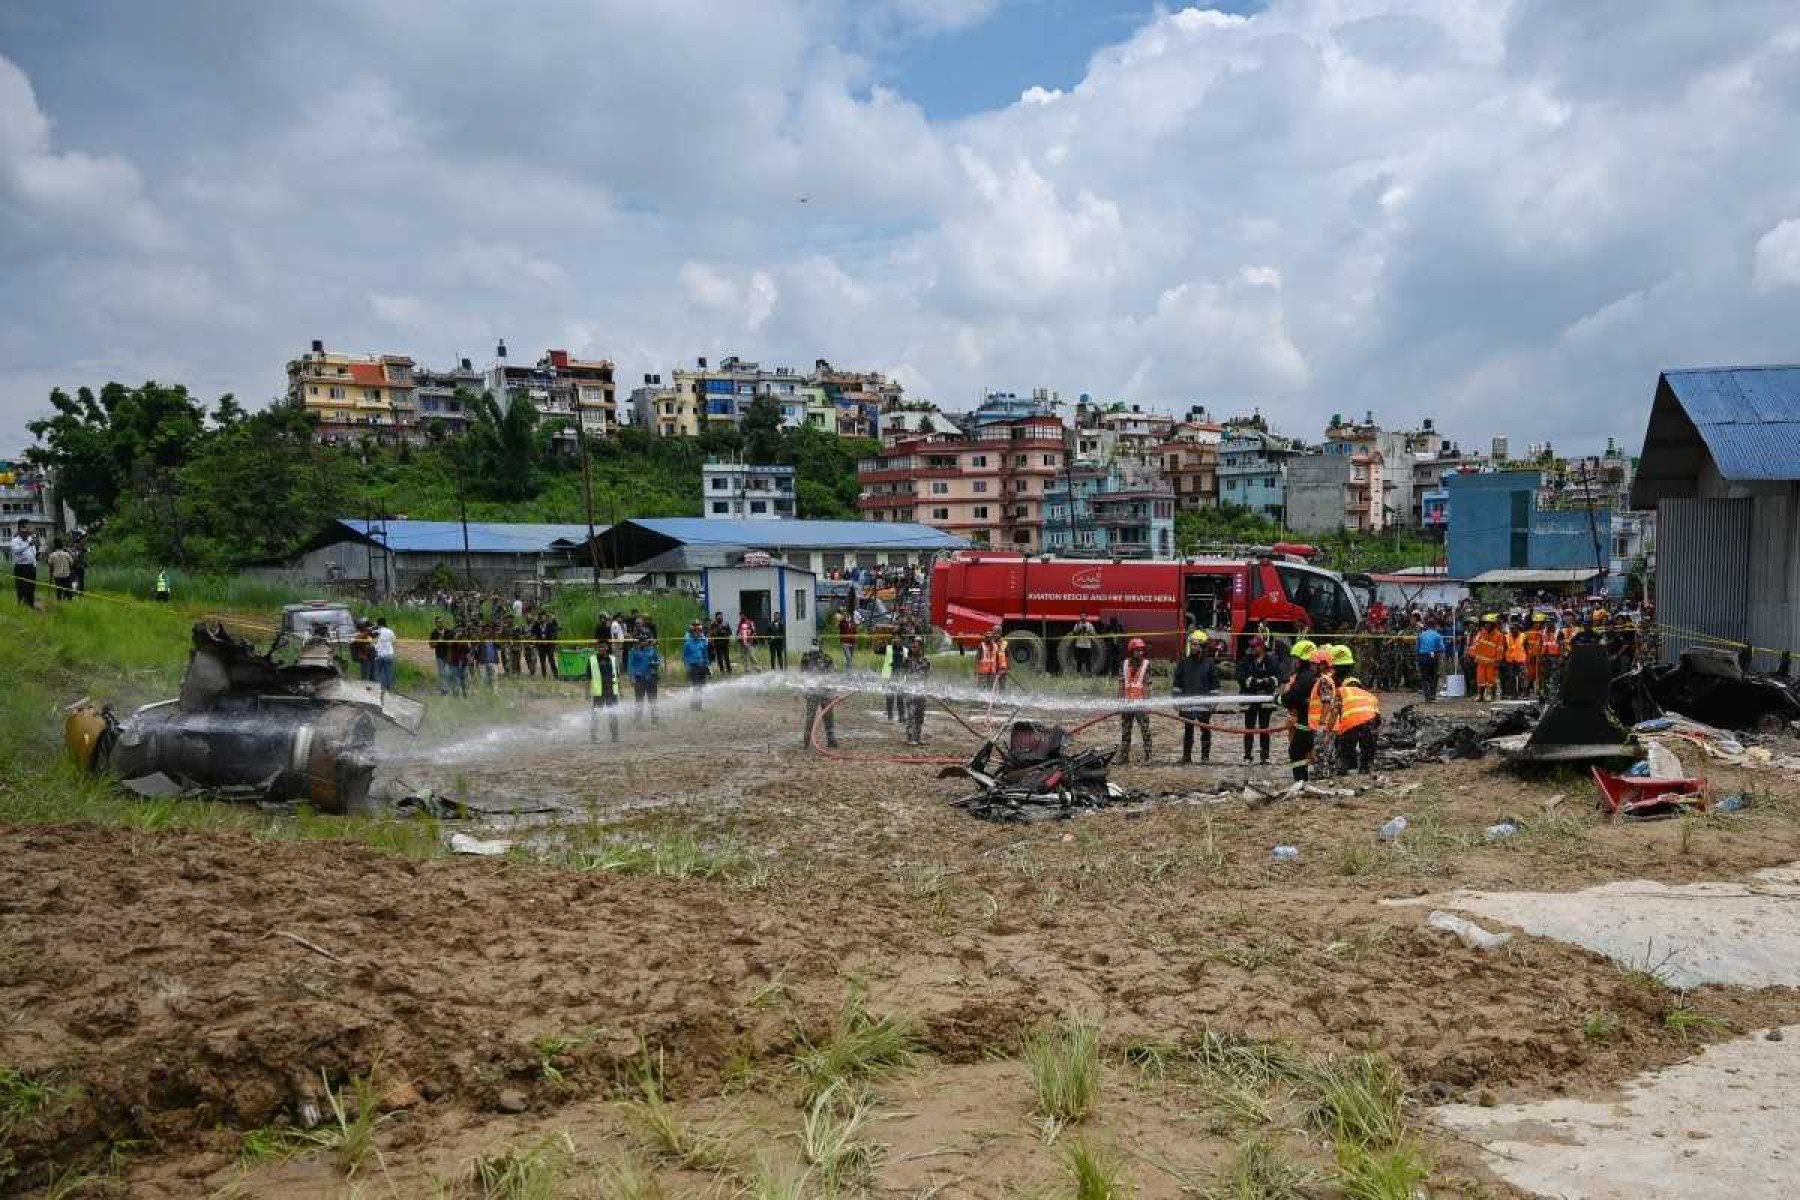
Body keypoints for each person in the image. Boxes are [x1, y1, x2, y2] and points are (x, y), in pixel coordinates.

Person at [1172, 630, 1220, 764]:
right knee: (1188, 731)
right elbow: (1177, 683)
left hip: (1204, 705)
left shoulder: (1209, 664)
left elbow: (1214, 684)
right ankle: (1186, 756)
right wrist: (1176, 699)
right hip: (1187, 704)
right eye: (1191, 644)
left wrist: (1214, 701)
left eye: (1195, 644)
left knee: (1205, 730)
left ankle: (1205, 757)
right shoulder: (1184, 663)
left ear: (1202, 646)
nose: (1192, 647)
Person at [1237, 637, 1282, 765]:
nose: (1252, 649)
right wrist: (1255, 681)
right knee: (1249, 728)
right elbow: (1240, 676)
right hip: (1249, 700)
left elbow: (1278, 677)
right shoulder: (1246, 660)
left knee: (1264, 728)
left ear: (1261, 647)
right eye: (1251, 647)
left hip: (1265, 701)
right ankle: (1247, 756)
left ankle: (1265, 756)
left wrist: (1265, 682)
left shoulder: (1271, 660)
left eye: (1254, 646)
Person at [1281, 643, 1321, 783]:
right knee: (1300, 751)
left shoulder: (1305, 677)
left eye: (1296, 659)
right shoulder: (1309, 675)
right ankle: (1302, 781)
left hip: (1306, 721)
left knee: (1296, 751)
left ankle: (1300, 781)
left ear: (1303, 660)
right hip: (1307, 721)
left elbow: (1293, 697)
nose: (1294, 662)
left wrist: (1280, 699)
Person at [1333, 667, 1381, 774]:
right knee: (1368, 745)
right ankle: (1366, 766)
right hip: (1369, 720)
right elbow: (1377, 717)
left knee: (1346, 745)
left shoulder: (1340, 691)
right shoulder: (1369, 695)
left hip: (1351, 720)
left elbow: (1336, 712)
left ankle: (1348, 767)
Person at [1117, 637, 1153, 764]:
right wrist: (1119, 702)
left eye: (1141, 650)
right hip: (1127, 704)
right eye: (1137, 650)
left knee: (1145, 731)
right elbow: (1121, 684)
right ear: (1132, 651)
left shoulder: (1146, 664)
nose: (1140, 653)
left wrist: (1147, 704)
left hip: (1140, 704)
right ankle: (1124, 756)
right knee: (1126, 731)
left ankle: (1149, 756)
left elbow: (1147, 686)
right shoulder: (1125, 664)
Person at [800, 645, 841, 750]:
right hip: (812, 691)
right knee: (811, 717)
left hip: (825, 691)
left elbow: (832, 675)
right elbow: (803, 674)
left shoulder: (827, 658)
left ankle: (831, 739)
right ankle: (807, 741)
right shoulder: (806, 658)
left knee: (828, 715)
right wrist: (805, 690)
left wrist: (834, 692)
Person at [588, 636, 621, 743]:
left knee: (613, 714)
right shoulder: (592, 660)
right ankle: (593, 737)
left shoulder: (613, 659)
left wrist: (621, 691)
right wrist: (586, 692)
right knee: (595, 715)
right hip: (599, 693)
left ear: (607, 647)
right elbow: (588, 678)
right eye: (599, 647)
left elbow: (617, 676)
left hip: (611, 691)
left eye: (603, 647)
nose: (601, 649)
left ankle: (615, 736)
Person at [902, 634, 931, 745]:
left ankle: (918, 737)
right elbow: (904, 674)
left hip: (921, 692)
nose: (913, 648)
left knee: (920, 716)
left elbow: (926, 676)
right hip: (910, 691)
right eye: (912, 647)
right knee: (911, 715)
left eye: (916, 646)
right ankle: (910, 738)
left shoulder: (926, 661)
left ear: (921, 648)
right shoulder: (907, 661)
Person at [627, 632, 662, 725]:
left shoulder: (652, 650)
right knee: (639, 700)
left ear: (647, 641)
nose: (643, 642)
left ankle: (655, 720)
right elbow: (630, 666)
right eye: (641, 641)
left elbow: (659, 661)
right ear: (638, 642)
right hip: (639, 679)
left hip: (651, 678)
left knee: (653, 699)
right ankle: (638, 720)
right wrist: (631, 678)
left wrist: (654, 663)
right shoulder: (633, 652)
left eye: (644, 640)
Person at [1469, 615, 1503, 702]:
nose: (1487, 625)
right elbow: (1475, 644)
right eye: (1486, 623)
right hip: (1480, 661)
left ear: (1493, 624)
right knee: (1480, 679)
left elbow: (1500, 649)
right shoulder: (1480, 633)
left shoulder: (1499, 635)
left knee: (1490, 680)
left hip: (1491, 662)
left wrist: (1498, 660)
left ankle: (1490, 694)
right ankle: (1480, 695)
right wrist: (1471, 654)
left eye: (1489, 623)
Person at [682, 620, 711, 711]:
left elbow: (705, 655)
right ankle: (694, 705)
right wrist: (687, 667)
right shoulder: (688, 643)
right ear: (693, 632)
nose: (699, 633)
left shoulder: (702, 642)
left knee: (701, 686)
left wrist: (707, 665)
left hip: (702, 666)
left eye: (700, 631)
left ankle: (699, 705)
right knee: (696, 686)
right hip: (693, 667)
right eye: (697, 631)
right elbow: (685, 656)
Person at [7, 523, 38, 608]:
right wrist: (28, 545)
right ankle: (21, 604)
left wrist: (34, 564)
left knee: (31, 586)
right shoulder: (15, 541)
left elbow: (33, 553)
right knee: (21, 586)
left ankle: (30, 604)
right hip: (21, 567)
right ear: (20, 532)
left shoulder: (30, 539)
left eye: (27, 533)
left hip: (31, 567)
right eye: (24, 533)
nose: (26, 535)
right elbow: (16, 551)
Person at [1415, 619, 1445, 703]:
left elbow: (1417, 648)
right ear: (1435, 626)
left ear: (1427, 625)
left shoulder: (1421, 635)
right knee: (1433, 676)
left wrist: (1418, 659)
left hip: (1422, 656)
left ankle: (1427, 696)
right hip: (1433, 656)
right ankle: (1432, 695)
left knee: (1425, 677)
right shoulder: (1438, 635)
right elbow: (1442, 648)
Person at [976, 627, 1009, 696]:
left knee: (1002, 687)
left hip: (1002, 668)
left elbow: (1006, 656)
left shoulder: (1004, 644)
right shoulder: (991, 642)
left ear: (1000, 634)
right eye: (994, 633)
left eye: (996, 633)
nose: (994, 635)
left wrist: (1005, 668)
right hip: (993, 669)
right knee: (990, 687)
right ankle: (989, 697)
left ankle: (1002, 699)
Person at [880, 635, 906, 722]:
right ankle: (890, 715)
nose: (896, 640)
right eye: (895, 638)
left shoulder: (905, 650)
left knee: (900, 697)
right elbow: (878, 650)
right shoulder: (888, 648)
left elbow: (907, 662)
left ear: (902, 640)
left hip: (900, 676)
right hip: (889, 675)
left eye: (898, 638)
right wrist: (881, 642)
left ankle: (901, 716)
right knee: (890, 696)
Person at [429, 617, 451, 694]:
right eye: (438, 622)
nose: (440, 623)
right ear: (435, 623)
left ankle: (450, 688)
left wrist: (448, 642)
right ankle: (444, 689)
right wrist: (438, 641)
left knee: (448, 672)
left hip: (449, 655)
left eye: (442, 622)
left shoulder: (449, 631)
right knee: (441, 673)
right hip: (439, 656)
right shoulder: (433, 633)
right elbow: (431, 646)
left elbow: (453, 643)